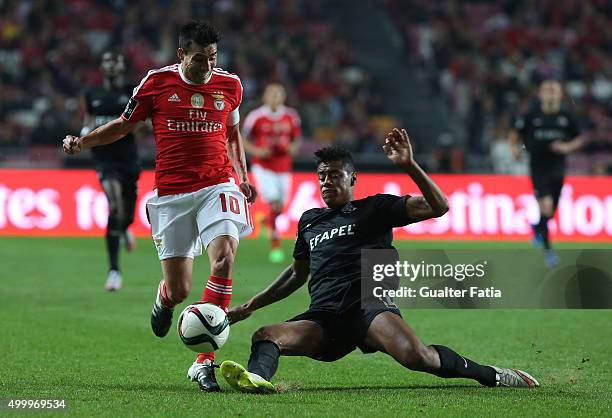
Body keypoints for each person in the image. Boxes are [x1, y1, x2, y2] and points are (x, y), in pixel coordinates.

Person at [219, 129, 539, 393]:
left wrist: (410, 165)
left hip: (368, 307)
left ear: (353, 178)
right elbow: (296, 274)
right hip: (325, 317)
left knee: (418, 357)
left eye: (334, 175)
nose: (327, 182)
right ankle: (257, 381)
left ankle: (491, 374)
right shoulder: (310, 221)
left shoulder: (375, 209)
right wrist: (251, 305)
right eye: (321, 177)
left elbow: (439, 207)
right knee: (265, 335)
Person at [63, 20, 257, 392]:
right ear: (182, 54)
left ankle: (204, 362)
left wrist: (243, 177)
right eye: (199, 59)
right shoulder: (156, 83)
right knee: (180, 289)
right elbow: (122, 126)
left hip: (218, 184)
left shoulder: (230, 85)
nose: (206, 67)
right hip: (171, 195)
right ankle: (164, 300)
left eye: (212, 59)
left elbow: (233, 135)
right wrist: (83, 143)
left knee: (225, 257)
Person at [80, 51, 140, 291]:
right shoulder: (91, 93)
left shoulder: (132, 92)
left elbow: (142, 121)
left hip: (127, 158)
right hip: (104, 158)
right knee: (113, 205)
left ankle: (125, 228)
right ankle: (114, 271)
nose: (112, 65)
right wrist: (85, 131)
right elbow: (87, 120)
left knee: (126, 215)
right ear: (102, 67)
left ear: (122, 66)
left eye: (116, 60)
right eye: (108, 61)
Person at [509, 80, 583, 267]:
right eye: (546, 91)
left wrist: (566, 146)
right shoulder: (531, 115)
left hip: (558, 167)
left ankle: (538, 226)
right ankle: (548, 250)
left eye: (554, 91)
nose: (550, 94)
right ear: (540, 94)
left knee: (552, 208)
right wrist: (514, 149)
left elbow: (579, 138)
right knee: (547, 206)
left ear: (559, 95)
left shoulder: (566, 116)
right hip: (538, 167)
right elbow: (515, 134)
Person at [242, 84, 302, 263]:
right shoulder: (256, 116)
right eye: (272, 94)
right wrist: (257, 151)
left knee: (281, 207)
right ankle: (275, 247)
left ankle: (266, 221)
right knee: (275, 203)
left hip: (283, 166)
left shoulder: (291, 116)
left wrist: (291, 148)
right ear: (265, 97)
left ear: (283, 97)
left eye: (279, 94)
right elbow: (241, 138)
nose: (275, 97)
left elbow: (296, 139)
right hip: (263, 166)